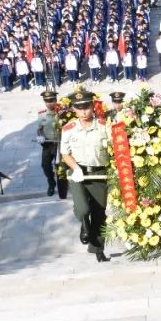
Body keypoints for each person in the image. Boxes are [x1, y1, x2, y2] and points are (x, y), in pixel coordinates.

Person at [59, 90, 111, 263]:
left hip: (99, 173)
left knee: (99, 213)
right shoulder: (69, 129)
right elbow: (65, 153)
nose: (83, 111)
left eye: (86, 107)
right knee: (83, 209)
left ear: (92, 106)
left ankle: (98, 249)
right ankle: (84, 223)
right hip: (78, 173)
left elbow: (114, 148)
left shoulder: (104, 126)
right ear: (74, 109)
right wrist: (75, 168)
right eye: (79, 108)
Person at [36, 90, 61, 196]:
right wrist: (40, 136)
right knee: (45, 165)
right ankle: (51, 184)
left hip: (60, 144)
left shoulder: (62, 114)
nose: (49, 103)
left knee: (60, 167)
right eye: (47, 101)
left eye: (51, 101)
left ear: (56, 101)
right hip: (48, 144)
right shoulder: (42, 115)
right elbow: (40, 129)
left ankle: (61, 186)